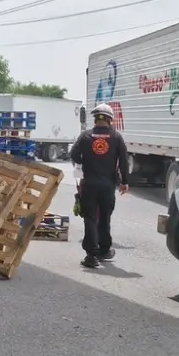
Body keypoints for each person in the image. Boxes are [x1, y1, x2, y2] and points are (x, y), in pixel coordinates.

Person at [69, 102, 128, 267]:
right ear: (110, 120)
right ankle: (104, 250)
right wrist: (125, 182)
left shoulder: (85, 136)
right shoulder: (116, 137)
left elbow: (73, 154)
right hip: (108, 185)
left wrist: (84, 163)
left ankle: (91, 256)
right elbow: (123, 161)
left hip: (89, 183)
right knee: (105, 217)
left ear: (95, 119)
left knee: (90, 218)